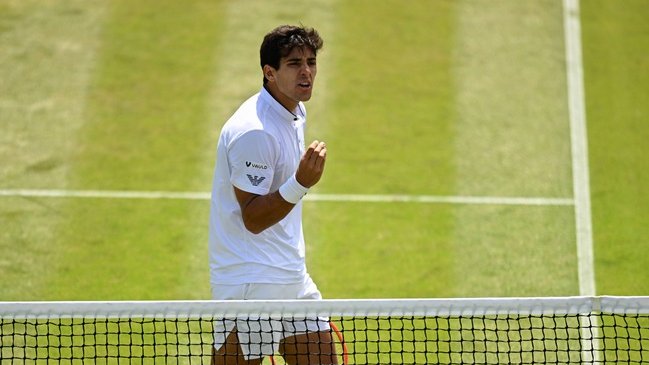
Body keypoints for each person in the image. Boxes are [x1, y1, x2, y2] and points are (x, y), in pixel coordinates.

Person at [208, 25, 337, 365]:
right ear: (270, 73)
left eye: (311, 61)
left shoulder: (294, 109)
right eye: (295, 63)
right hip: (253, 281)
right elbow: (253, 218)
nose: (307, 71)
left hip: (290, 275)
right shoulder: (255, 132)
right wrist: (301, 183)